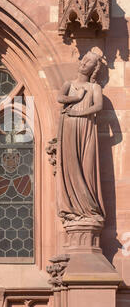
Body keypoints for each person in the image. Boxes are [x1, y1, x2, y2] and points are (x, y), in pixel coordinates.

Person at [56, 48, 105, 224]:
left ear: (94, 68)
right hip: (69, 126)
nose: (84, 63)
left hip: (86, 128)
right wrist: (75, 98)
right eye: (84, 59)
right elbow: (60, 97)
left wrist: (80, 113)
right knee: (71, 165)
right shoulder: (69, 83)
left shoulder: (94, 87)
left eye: (89, 62)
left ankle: (88, 209)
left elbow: (98, 106)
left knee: (86, 167)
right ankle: (73, 209)